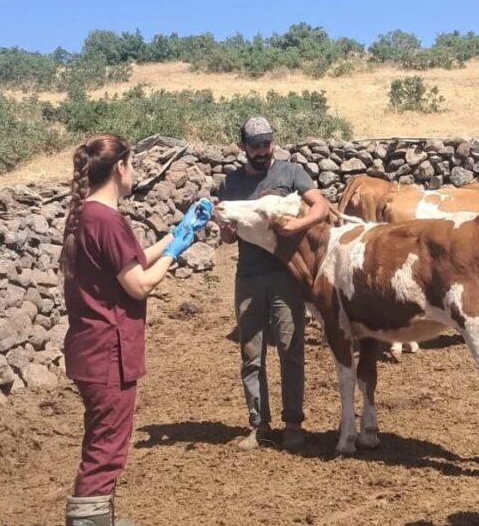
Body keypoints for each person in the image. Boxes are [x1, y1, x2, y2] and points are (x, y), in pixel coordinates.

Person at [61, 133, 212, 526]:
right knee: (106, 450)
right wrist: (177, 253)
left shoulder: (85, 215)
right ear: (120, 168)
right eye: (133, 165)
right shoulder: (108, 220)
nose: (136, 173)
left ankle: (101, 520)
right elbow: (139, 284)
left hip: (89, 349)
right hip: (108, 351)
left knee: (102, 441)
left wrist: (175, 235)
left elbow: (128, 261)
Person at [216, 116, 331, 451]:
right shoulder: (231, 184)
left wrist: (298, 226)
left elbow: (321, 205)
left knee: (290, 348)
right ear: (243, 148)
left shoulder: (290, 173)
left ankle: (293, 422)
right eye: (255, 146)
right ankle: (259, 424)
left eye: (267, 144)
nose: (263, 151)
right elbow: (227, 238)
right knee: (251, 352)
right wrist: (225, 228)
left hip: (285, 276)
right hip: (248, 277)